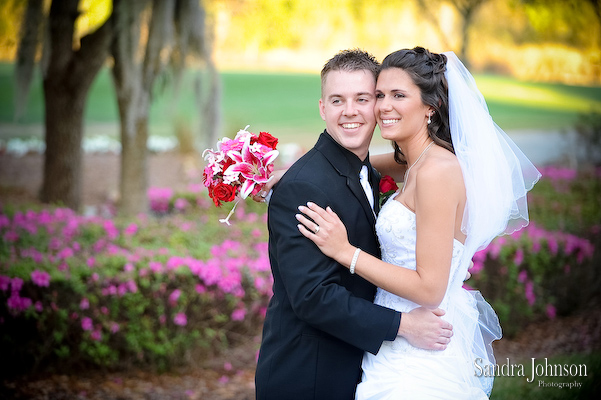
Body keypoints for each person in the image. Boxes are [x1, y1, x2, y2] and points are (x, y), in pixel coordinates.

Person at [296, 47, 541, 399]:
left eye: (399, 95)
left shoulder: (436, 174)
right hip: (397, 337)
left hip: (420, 343)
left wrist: (345, 252)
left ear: (430, 107)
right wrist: (291, 174)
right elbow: (365, 164)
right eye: (379, 95)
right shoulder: (416, 162)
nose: (383, 107)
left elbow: (430, 289)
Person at [254, 49, 454, 400]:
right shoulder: (303, 186)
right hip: (309, 376)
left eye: (364, 98)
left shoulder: (375, 171)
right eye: (337, 100)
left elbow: (397, 164)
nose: (350, 111)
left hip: (362, 363)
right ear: (322, 109)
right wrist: (403, 325)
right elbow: (314, 297)